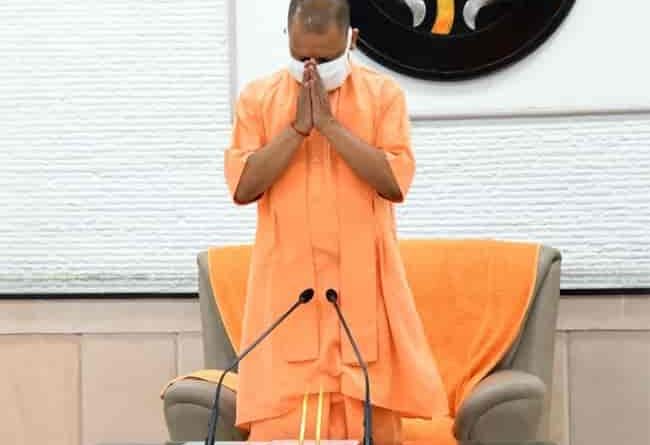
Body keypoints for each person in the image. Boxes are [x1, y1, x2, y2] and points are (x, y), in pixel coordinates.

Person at [224, 1, 448, 443]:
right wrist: (296, 131)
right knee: (284, 429)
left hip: (363, 299)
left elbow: (393, 182)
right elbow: (244, 186)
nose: (312, 69)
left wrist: (330, 127)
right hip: (289, 299)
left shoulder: (383, 96)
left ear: (352, 41)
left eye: (325, 60)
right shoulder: (258, 98)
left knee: (372, 425)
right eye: (301, 56)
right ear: (287, 39)